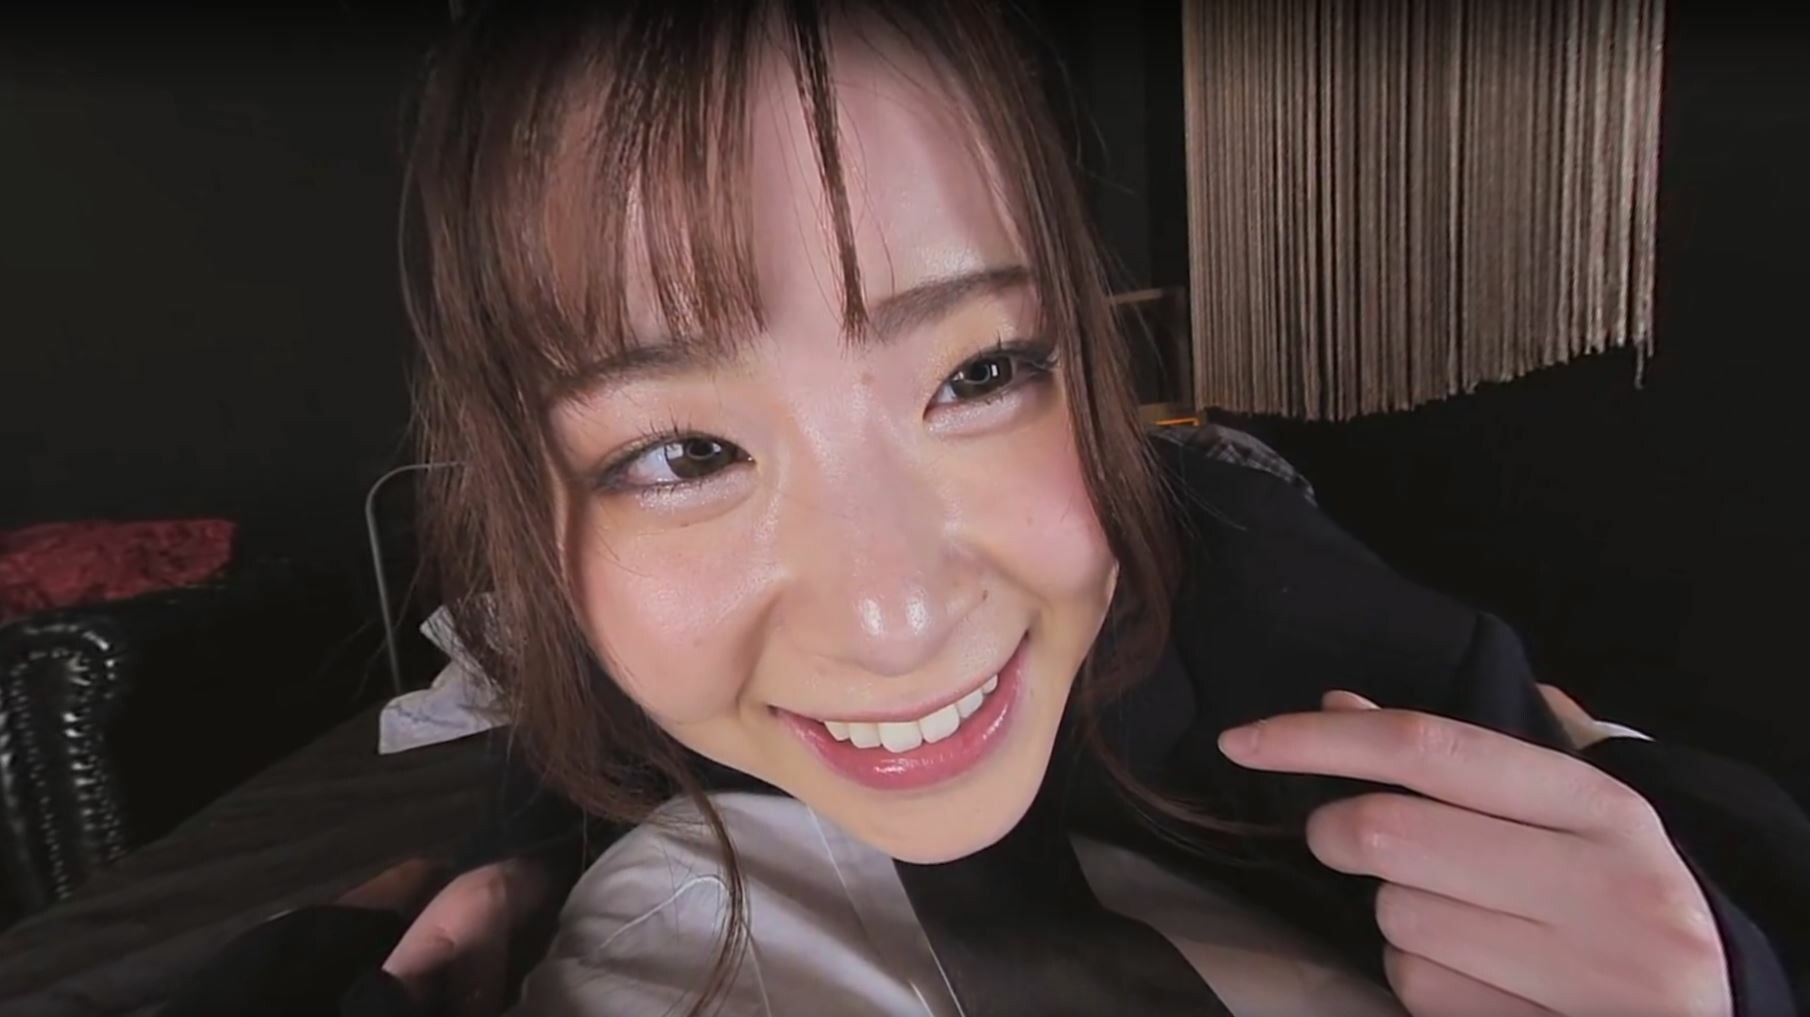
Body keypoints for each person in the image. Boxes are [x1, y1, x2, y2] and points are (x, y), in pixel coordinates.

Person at [165, 1, 1810, 1014]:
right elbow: (559, 770)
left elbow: (1629, 808)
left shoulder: (1266, 613)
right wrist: (468, 893)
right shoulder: (602, 657)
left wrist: (1723, 972)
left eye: (979, 371)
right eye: (683, 454)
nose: (892, 615)